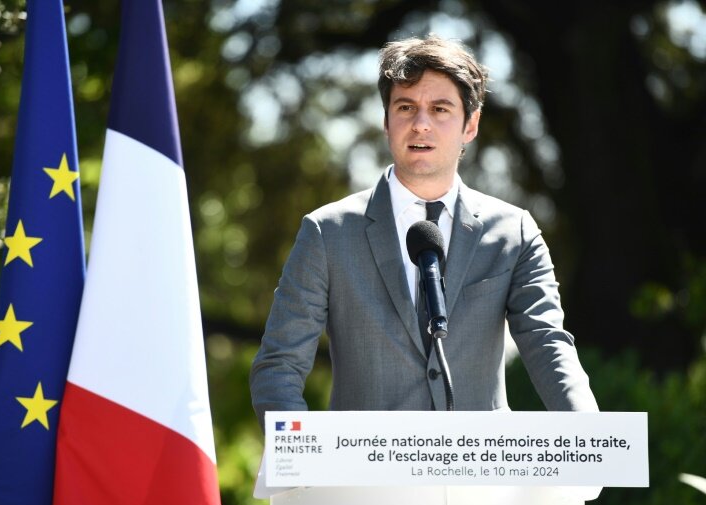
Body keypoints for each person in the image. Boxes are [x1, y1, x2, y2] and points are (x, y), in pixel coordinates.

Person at [250, 34, 598, 428]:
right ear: (386, 121)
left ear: (471, 124)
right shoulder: (326, 233)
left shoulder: (514, 232)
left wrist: (591, 435)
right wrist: (302, 452)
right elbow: (279, 365)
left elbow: (547, 344)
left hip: (480, 462)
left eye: (440, 109)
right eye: (406, 107)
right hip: (364, 464)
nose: (420, 124)